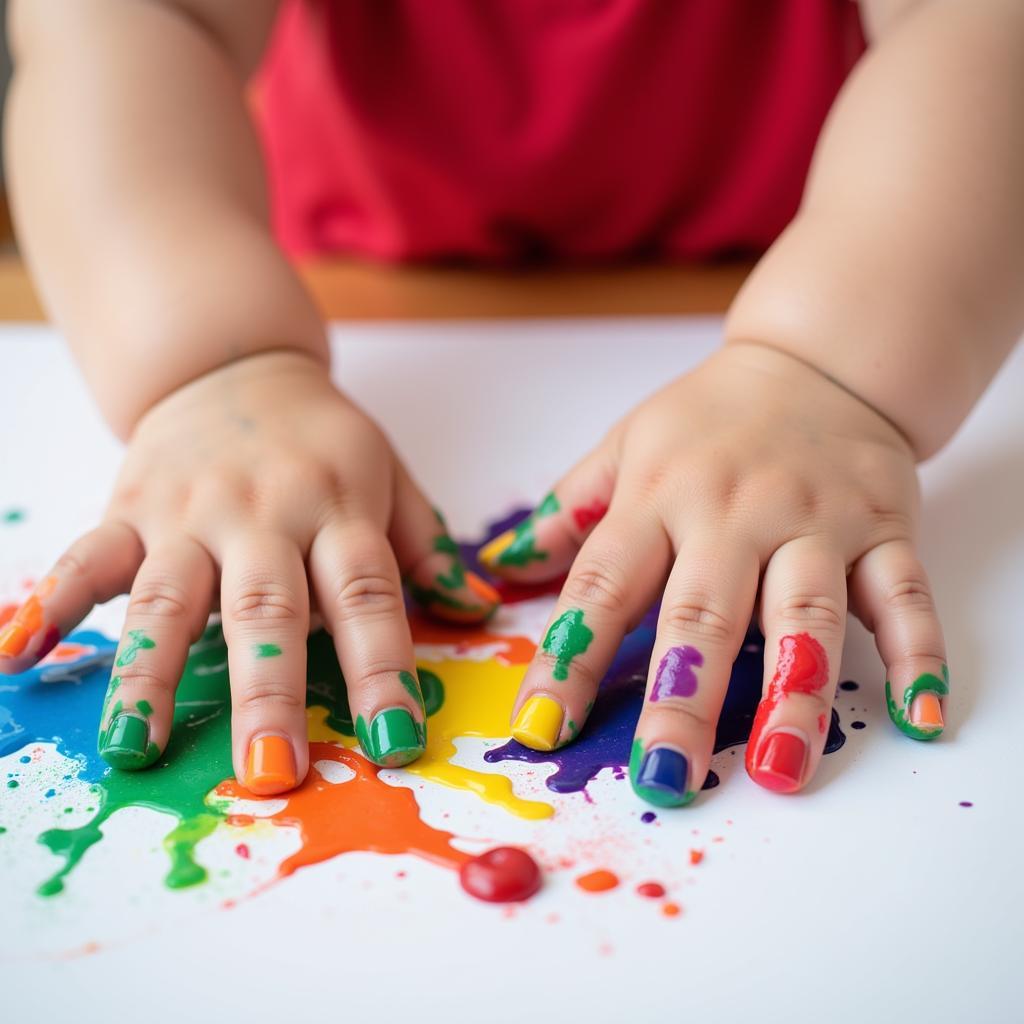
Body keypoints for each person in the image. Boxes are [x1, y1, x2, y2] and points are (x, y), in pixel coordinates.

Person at [2, 1, 1021, 807]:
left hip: (818, 261)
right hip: (354, 267)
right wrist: (209, 369)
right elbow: (132, 16)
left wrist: (832, 375)